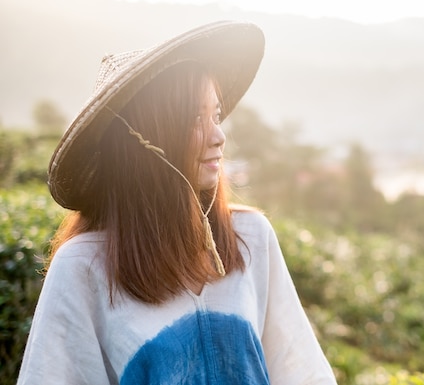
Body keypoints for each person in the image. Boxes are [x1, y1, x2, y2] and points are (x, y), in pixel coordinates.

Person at [17, 21, 337, 384]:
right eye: (193, 119)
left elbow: (301, 371)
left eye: (216, 115)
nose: (218, 136)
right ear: (146, 139)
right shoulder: (83, 267)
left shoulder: (250, 238)